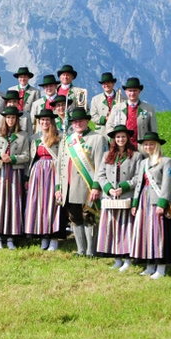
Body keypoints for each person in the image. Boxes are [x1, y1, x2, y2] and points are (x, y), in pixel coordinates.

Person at [56, 108, 107, 257]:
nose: (78, 123)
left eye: (81, 121)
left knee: (88, 217)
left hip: (87, 186)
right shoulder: (67, 139)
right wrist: (58, 186)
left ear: (87, 121)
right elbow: (60, 165)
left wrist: (96, 186)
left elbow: (100, 165)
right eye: (75, 121)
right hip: (69, 186)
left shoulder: (97, 138)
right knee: (74, 218)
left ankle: (91, 251)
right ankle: (80, 250)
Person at [129, 132, 171, 278]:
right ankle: (150, 265)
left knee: (159, 234)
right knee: (146, 234)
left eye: (151, 144)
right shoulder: (143, 163)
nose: (148, 146)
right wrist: (135, 203)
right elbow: (139, 184)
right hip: (144, 201)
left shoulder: (166, 161)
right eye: (146, 144)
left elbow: (166, 184)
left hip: (157, 202)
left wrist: (162, 204)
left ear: (157, 145)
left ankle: (161, 268)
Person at [0, 106, 30, 250]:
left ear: (17, 119)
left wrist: (14, 158)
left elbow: (27, 155)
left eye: (13, 117)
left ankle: (10, 236)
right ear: (5, 119)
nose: (10, 120)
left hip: (14, 173)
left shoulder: (23, 135)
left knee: (13, 203)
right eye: (8, 117)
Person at [96, 125, 143, 271]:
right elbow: (100, 175)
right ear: (114, 140)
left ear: (128, 138)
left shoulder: (136, 156)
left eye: (123, 136)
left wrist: (124, 186)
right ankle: (117, 258)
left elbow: (138, 177)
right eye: (117, 137)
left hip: (126, 197)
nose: (120, 139)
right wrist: (109, 189)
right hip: (110, 198)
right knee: (113, 228)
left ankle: (127, 259)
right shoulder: (107, 155)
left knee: (126, 228)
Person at [23, 109, 63, 251]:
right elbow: (31, 158)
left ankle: (53, 237)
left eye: (47, 120)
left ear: (51, 121)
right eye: (42, 120)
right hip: (38, 171)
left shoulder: (59, 136)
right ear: (39, 123)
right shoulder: (34, 138)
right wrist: (27, 176)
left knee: (52, 204)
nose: (45, 122)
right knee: (39, 203)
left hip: (53, 171)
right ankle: (43, 236)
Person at [108, 77, 158, 143]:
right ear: (126, 92)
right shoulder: (117, 108)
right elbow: (109, 125)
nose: (132, 93)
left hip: (141, 146)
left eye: (135, 90)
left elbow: (153, 130)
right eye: (130, 90)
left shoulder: (149, 109)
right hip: (122, 146)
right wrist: (115, 140)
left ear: (139, 91)